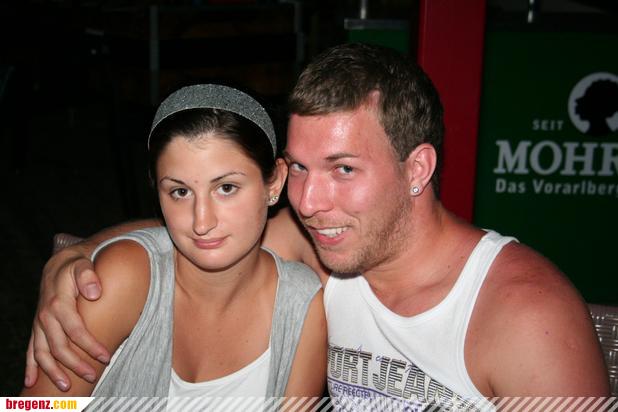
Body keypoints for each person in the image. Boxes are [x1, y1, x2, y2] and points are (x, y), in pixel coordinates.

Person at [24, 43, 609, 407]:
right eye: (300, 168)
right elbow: (203, 231)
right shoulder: (322, 248)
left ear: (417, 169)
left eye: (343, 169)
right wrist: (78, 255)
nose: (307, 201)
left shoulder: (525, 316)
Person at [21, 84, 327, 402]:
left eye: (226, 188)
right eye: (180, 192)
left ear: (274, 182)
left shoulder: (301, 307)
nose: (201, 222)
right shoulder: (121, 280)